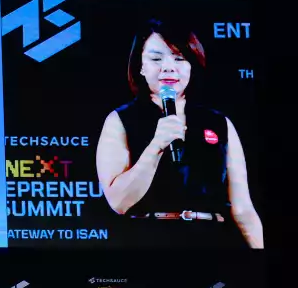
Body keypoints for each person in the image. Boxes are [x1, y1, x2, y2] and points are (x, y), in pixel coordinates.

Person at [96, 20, 263, 248]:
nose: (168, 67)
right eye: (156, 59)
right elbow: (119, 202)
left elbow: (243, 209)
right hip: (148, 242)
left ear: (192, 65)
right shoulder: (121, 120)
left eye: (179, 58)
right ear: (141, 67)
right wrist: (156, 146)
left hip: (213, 243)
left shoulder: (218, 122)